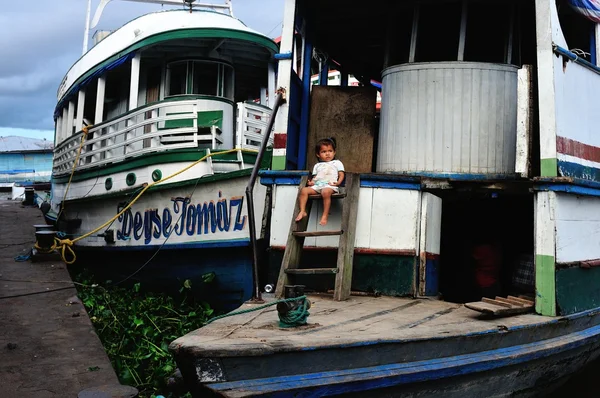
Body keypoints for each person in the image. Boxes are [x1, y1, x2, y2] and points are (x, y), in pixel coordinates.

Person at [295, 137, 345, 226]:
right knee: (304, 190)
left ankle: (325, 215)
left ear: (334, 152)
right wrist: (311, 183)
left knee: (325, 192)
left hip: (330, 186)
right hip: (317, 186)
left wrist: (338, 183)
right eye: (324, 152)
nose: (327, 154)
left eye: (330, 151)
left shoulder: (337, 163)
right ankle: (302, 211)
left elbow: (341, 174)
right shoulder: (317, 165)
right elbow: (315, 177)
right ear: (318, 154)